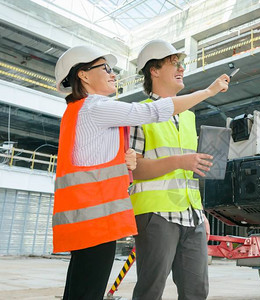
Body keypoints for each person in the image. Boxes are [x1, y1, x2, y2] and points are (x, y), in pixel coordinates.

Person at [53, 45, 229, 300]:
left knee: (82, 290)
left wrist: (125, 160)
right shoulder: (96, 107)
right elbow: (151, 112)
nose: (113, 74)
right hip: (104, 218)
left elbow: (94, 161)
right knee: (99, 291)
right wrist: (210, 91)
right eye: (105, 68)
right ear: (84, 75)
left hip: (94, 219)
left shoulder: (81, 112)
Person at [129, 40, 223, 300]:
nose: (181, 68)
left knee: (197, 291)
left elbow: (189, 172)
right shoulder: (140, 113)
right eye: (174, 63)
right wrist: (181, 162)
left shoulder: (189, 117)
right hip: (156, 215)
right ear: (154, 71)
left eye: (181, 63)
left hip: (190, 216)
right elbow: (134, 169)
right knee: (151, 290)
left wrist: (200, 212)